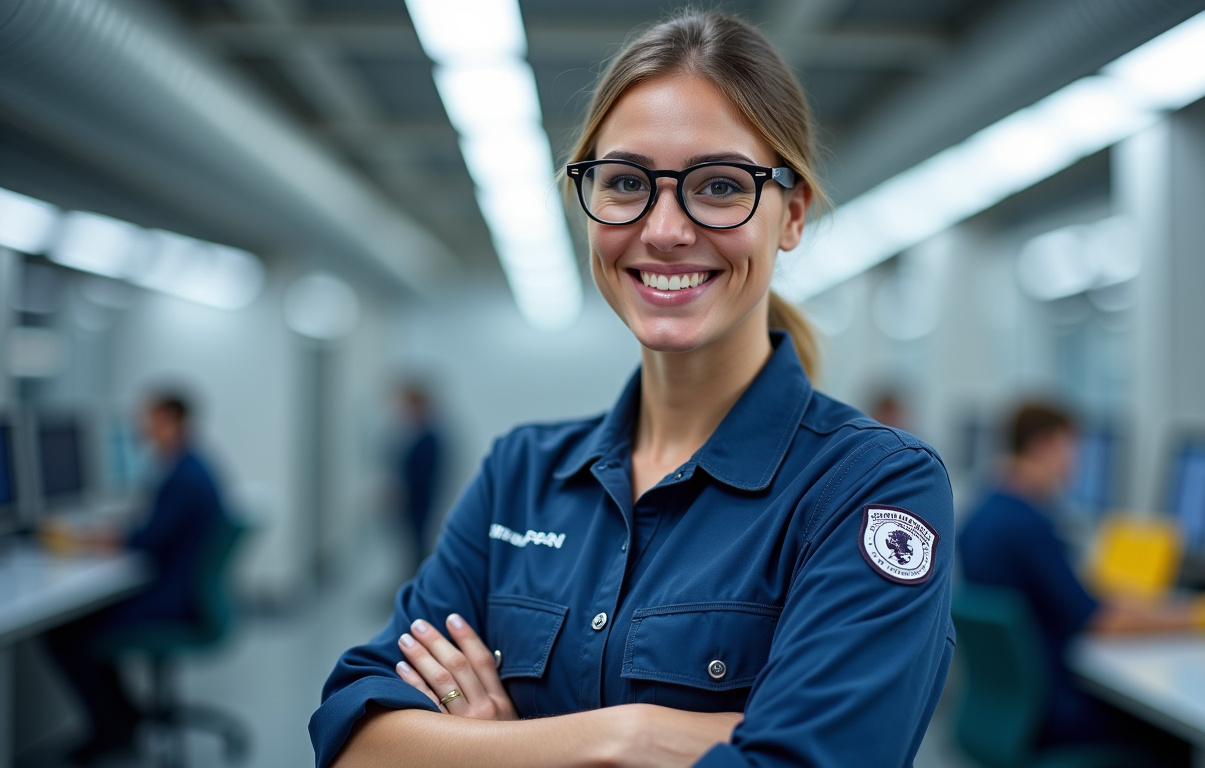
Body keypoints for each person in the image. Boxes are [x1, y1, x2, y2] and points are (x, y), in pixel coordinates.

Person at [310, 11, 955, 768]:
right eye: (625, 183)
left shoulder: (871, 489)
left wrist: (492, 748)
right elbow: (355, 736)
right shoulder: (522, 474)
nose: (665, 229)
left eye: (719, 185)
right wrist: (629, 736)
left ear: (793, 213)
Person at [958, 402, 1205, 750]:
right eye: (1070, 449)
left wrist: (1141, 604)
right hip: (1053, 714)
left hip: (1011, 707)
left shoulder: (984, 511)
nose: (1074, 464)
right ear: (1043, 447)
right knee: (1176, 740)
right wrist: (1199, 616)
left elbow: (1074, 598)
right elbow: (1102, 621)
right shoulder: (1029, 525)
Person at [42, 392, 229, 763]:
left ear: (171, 421)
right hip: (184, 590)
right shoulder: (190, 465)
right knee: (80, 624)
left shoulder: (184, 476)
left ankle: (112, 730)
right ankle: (122, 720)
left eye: (149, 419)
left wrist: (80, 539)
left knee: (69, 631)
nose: (141, 428)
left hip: (176, 601)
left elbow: (146, 540)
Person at [395, 382, 445, 562]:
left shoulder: (428, 438)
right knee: (414, 544)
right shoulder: (417, 435)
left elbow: (423, 474)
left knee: (419, 543)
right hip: (417, 499)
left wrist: (403, 493)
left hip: (420, 500)